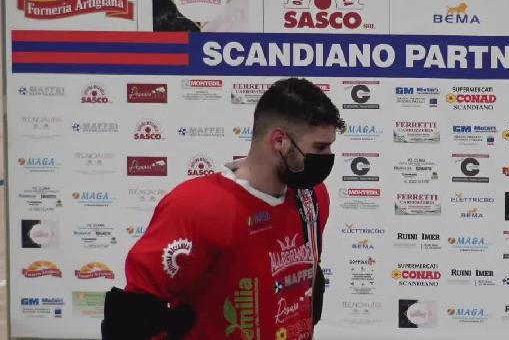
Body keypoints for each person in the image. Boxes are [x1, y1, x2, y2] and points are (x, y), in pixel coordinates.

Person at [102, 78, 344, 339]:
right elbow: (134, 315)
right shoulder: (197, 207)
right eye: (320, 147)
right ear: (279, 141)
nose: (328, 157)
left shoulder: (312, 197)